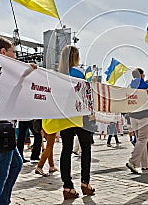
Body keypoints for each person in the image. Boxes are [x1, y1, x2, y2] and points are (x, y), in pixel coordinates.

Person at [0, 36, 36, 205]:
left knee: (16, 164)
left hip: (3, 126)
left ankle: (3, 201)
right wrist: (27, 72)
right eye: (14, 52)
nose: (16, 55)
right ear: (3, 52)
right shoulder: (0, 71)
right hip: (1, 128)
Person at [57, 45, 95, 200]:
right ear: (76, 57)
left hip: (65, 115)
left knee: (66, 149)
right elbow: (87, 93)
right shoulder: (80, 72)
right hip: (81, 114)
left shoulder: (59, 74)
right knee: (85, 148)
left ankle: (67, 186)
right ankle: (85, 183)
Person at [126, 68, 148, 173]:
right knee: (142, 140)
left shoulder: (130, 86)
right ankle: (132, 162)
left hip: (133, 116)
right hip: (144, 116)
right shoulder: (145, 86)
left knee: (141, 140)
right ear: (141, 75)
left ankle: (145, 164)